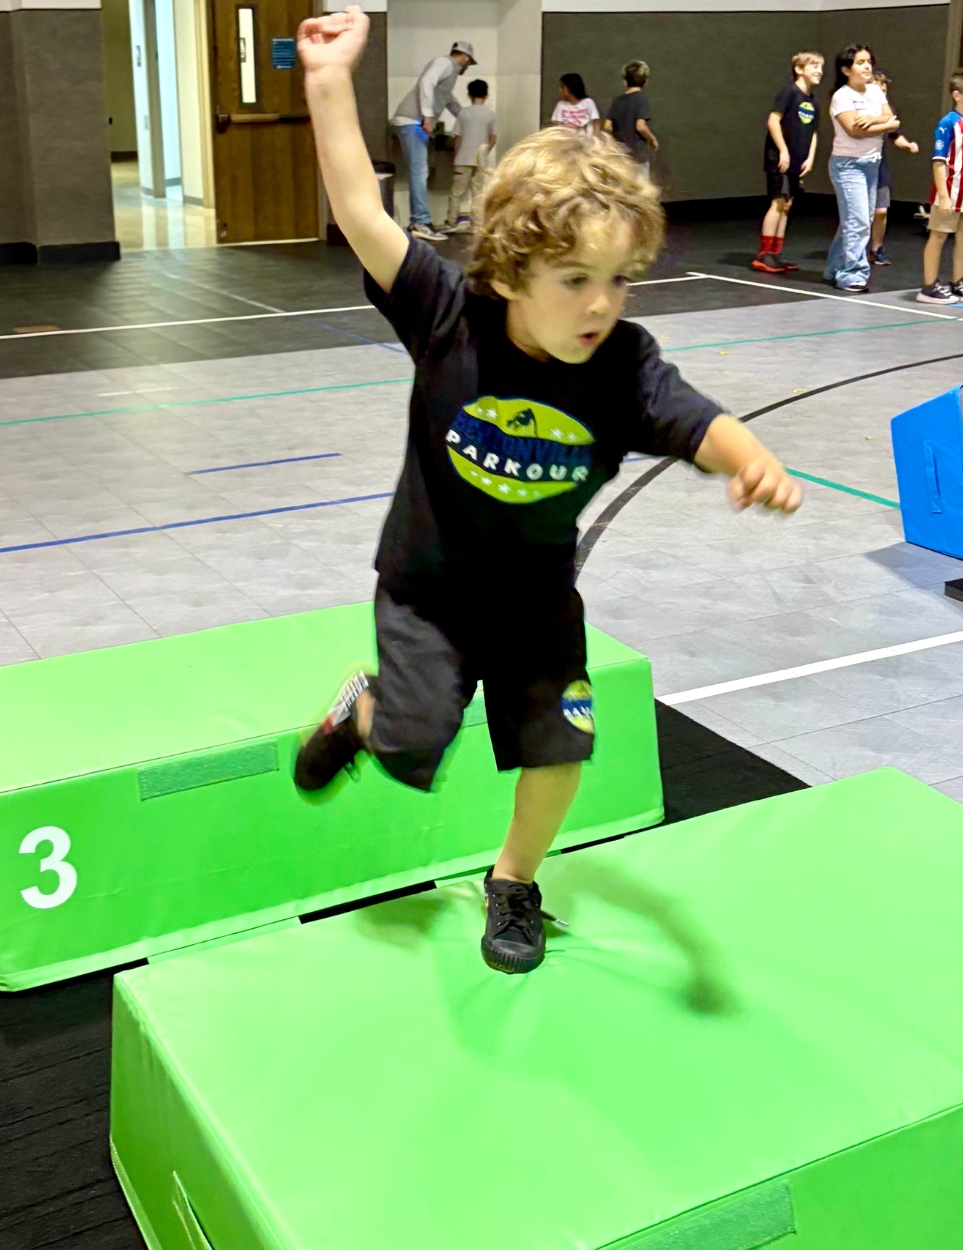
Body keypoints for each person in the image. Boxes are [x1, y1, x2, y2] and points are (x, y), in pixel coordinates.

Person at [294, 6, 803, 977]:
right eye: (574, 280)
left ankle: (513, 882)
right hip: (429, 591)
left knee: (560, 749)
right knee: (410, 745)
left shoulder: (621, 364)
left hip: (535, 603)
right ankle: (362, 712)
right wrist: (327, 82)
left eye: (619, 279)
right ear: (510, 269)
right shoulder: (448, 315)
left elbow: (697, 420)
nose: (600, 303)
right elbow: (361, 212)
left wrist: (751, 459)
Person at [823, 45, 898, 293]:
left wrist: (874, 120)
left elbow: (891, 118)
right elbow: (854, 131)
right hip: (848, 165)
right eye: (860, 62)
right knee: (858, 221)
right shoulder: (841, 96)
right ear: (846, 70)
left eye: (869, 62)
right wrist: (885, 124)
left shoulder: (875, 91)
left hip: (871, 164)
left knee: (858, 219)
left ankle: (834, 268)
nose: (867, 67)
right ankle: (852, 275)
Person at [391, 39, 477, 241]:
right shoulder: (445, 62)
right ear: (465, 58)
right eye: (469, 62)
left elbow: (449, 101)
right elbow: (426, 82)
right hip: (412, 121)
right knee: (420, 172)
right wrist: (428, 115)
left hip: (412, 122)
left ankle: (418, 221)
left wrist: (471, 120)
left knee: (420, 172)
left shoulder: (448, 75)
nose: (466, 67)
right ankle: (420, 222)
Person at [918, 67, 963, 304]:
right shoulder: (948, 124)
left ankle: (958, 281)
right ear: (957, 95)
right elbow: (939, 161)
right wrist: (944, 195)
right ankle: (929, 285)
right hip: (951, 192)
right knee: (938, 235)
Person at [752, 51, 823, 275]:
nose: (819, 71)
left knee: (787, 205)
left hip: (798, 161)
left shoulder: (813, 102)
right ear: (799, 69)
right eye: (814, 66)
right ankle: (764, 253)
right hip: (780, 158)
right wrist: (783, 150)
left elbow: (813, 132)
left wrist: (810, 157)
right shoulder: (789, 93)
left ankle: (776, 252)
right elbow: (773, 121)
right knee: (778, 201)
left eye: (821, 67)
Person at [868, 70, 919, 267]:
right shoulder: (860, 108)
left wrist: (907, 145)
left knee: (881, 210)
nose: (882, 91)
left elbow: (894, 135)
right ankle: (853, 250)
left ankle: (877, 249)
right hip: (861, 164)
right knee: (860, 212)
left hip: (880, 165)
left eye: (884, 88)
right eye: (878, 87)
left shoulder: (887, 112)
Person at [441, 79, 496, 234]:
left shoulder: (463, 113)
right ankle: (477, 225)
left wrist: (456, 155)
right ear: (486, 95)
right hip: (481, 160)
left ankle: (451, 222)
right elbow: (493, 138)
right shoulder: (491, 115)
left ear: (469, 95)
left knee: (456, 192)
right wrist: (485, 152)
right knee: (478, 193)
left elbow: (457, 138)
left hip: (463, 159)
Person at [605, 61, 659, 167]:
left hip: (620, 157)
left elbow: (607, 127)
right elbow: (640, 127)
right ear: (645, 81)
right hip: (637, 157)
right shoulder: (641, 99)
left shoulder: (617, 101)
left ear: (625, 81)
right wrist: (652, 139)